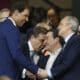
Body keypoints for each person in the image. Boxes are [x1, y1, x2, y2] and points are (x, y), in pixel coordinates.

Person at [0, 2, 46, 80]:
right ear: (16, 13)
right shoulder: (11, 28)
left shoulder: (4, 26)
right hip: (7, 75)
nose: (27, 20)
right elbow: (16, 54)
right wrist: (37, 70)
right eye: (25, 15)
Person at [49, 16, 80, 80]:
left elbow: (67, 63)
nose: (58, 27)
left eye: (61, 24)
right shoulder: (67, 43)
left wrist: (48, 73)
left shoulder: (76, 40)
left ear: (69, 26)